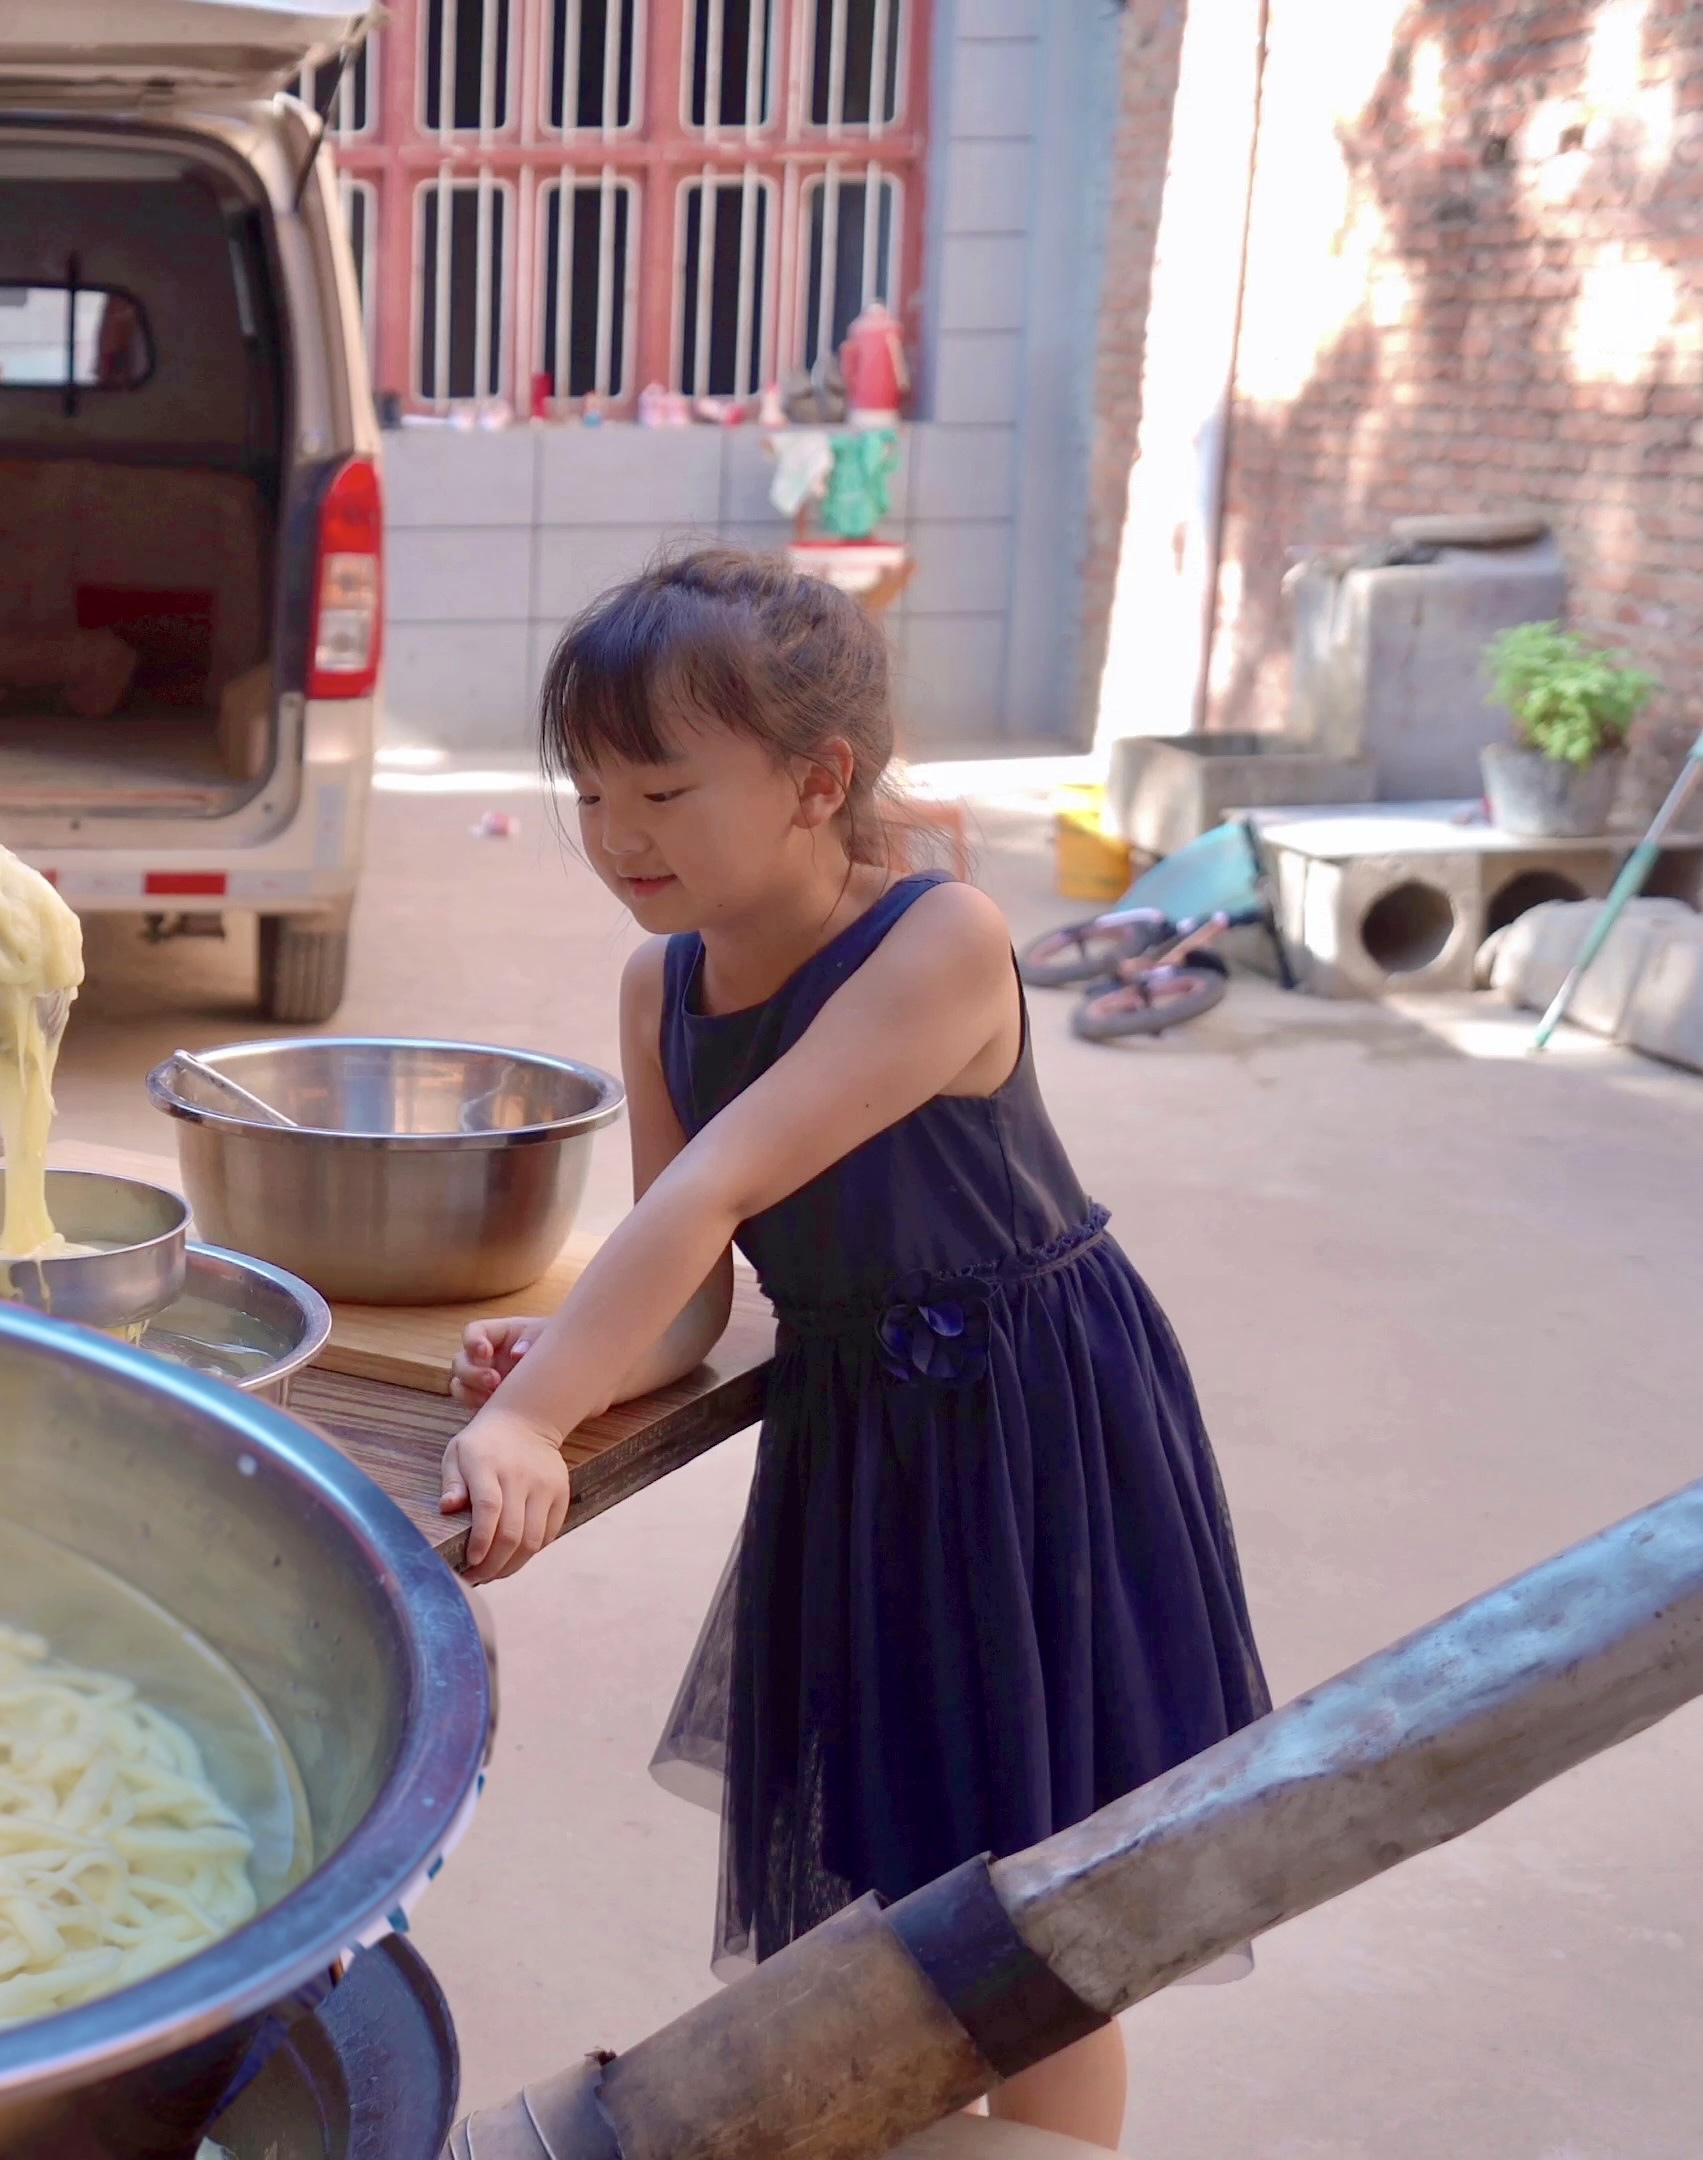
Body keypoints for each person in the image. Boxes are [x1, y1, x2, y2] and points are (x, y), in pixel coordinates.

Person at [438, 550, 1268, 2146]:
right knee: (892, 1889)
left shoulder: (937, 942)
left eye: (664, 792)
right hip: (861, 1450)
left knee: (1039, 1910)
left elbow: (718, 1185)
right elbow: (695, 1283)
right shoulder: (660, 984)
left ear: (820, 781)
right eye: (591, 794)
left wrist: (540, 1421)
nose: (618, 840)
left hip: (1028, 1437)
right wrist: (572, 1350)